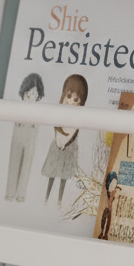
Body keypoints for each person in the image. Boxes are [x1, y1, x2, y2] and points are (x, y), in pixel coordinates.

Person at [42, 74, 88, 208]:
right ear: (63, 95)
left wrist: (64, 143)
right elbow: (57, 128)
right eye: (68, 96)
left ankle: (59, 201)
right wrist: (59, 142)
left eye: (76, 99)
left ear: (81, 102)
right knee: (51, 173)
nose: (71, 102)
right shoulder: (59, 112)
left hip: (69, 149)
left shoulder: (77, 117)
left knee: (63, 177)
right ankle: (46, 198)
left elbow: (72, 133)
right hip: (57, 146)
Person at [5, 73, 44, 203]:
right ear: (24, 92)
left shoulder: (39, 109)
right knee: (14, 161)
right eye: (28, 92)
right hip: (19, 132)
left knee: (27, 163)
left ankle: (21, 193)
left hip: (31, 134)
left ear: (38, 94)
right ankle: (10, 192)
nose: (31, 95)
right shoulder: (19, 106)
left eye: (34, 92)